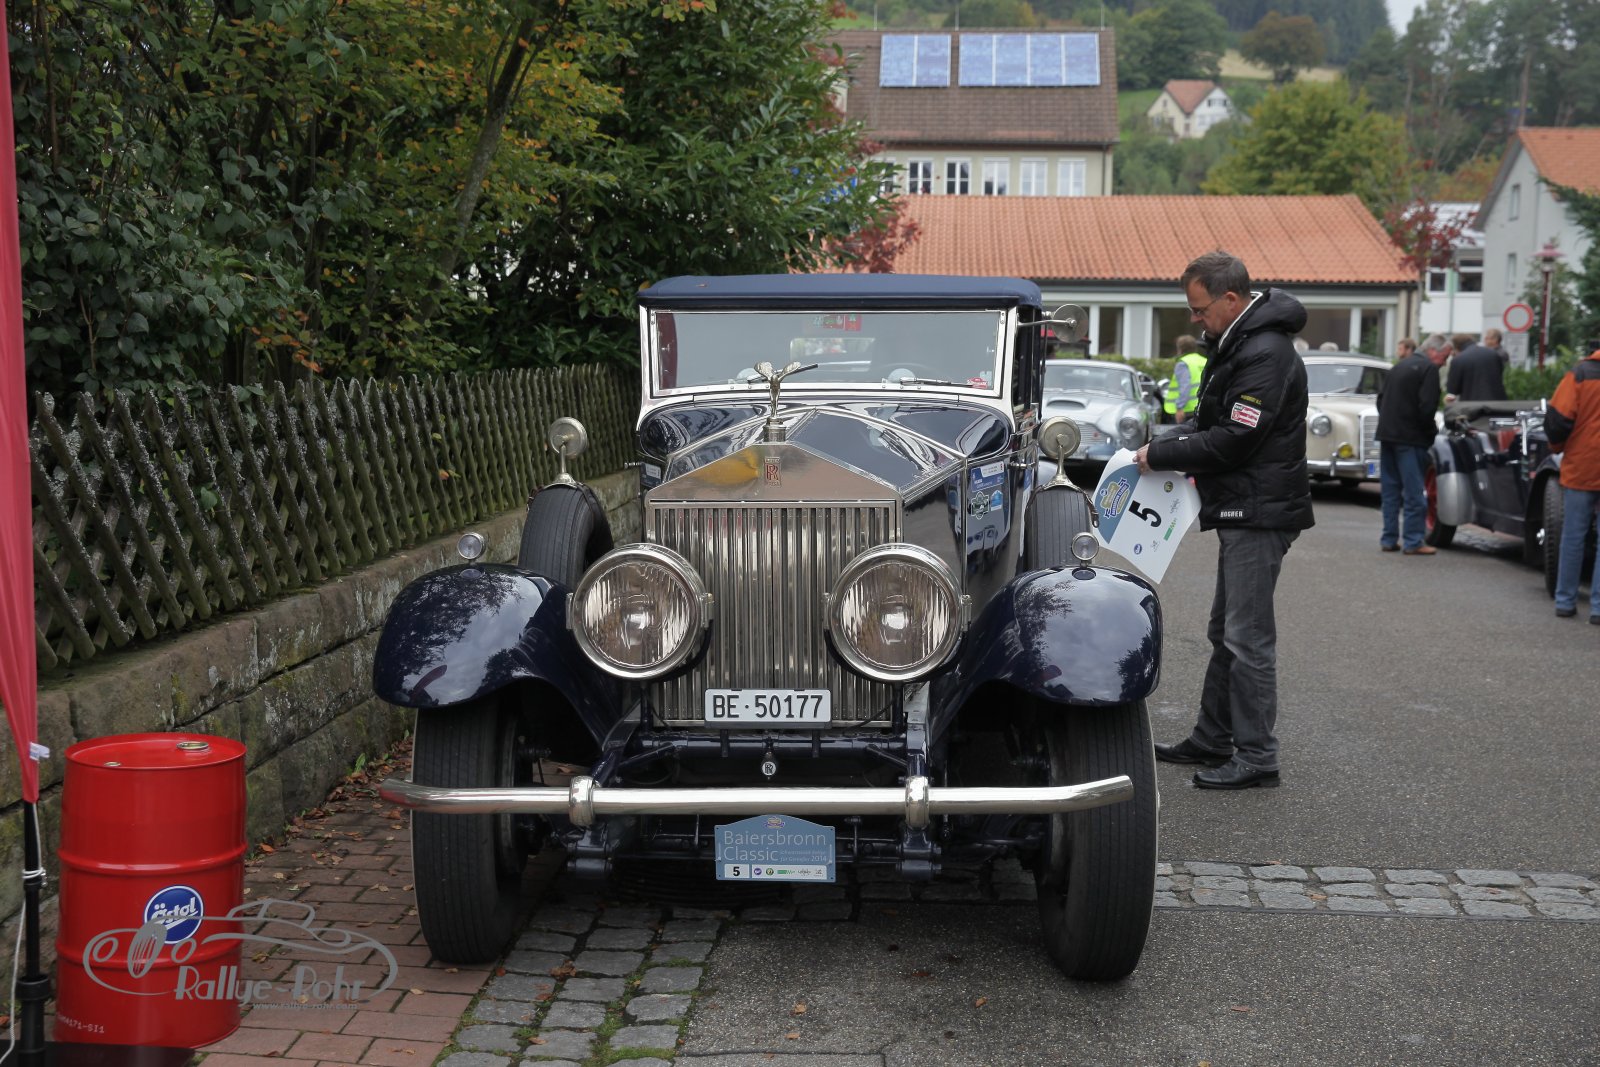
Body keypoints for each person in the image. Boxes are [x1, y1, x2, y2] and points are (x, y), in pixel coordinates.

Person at [1135, 251, 1314, 790]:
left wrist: (1161, 454)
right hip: (1246, 506)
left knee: (1246, 637)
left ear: (1231, 299)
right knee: (1226, 632)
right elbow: (1211, 419)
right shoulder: (1241, 342)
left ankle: (1258, 756)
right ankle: (1213, 738)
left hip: (1258, 511)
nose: (1195, 319)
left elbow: (1236, 437)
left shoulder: (1264, 352)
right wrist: (1163, 443)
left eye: (1200, 308)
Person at [1545, 346, 1600, 622]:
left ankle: (1565, 601)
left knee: (1573, 535)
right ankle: (1599, 607)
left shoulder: (1580, 373)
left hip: (1582, 465)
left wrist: (1557, 447)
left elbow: (1558, 419)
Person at [1376, 335, 1442, 555]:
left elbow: (1380, 400)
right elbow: (1427, 407)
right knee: (1414, 492)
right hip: (1411, 438)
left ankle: (1389, 538)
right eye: (1444, 357)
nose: (1444, 362)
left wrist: (1390, 422)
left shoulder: (1398, 367)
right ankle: (1413, 541)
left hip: (1387, 435)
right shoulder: (1428, 369)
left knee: (1390, 491)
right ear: (1434, 351)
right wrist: (1430, 432)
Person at [1445, 332, 1508, 403]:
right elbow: (1500, 374)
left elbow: (1452, 390)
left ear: (1456, 348)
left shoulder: (1458, 359)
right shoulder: (1493, 353)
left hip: (1472, 405)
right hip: (1497, 403)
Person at [1162, 334, 1207, 424]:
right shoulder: (1204, 361)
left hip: (1187, 411)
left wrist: (1179, 408)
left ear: (1180, 349)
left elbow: (1184, 386)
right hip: (1203, 407)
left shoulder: (1183, 363)